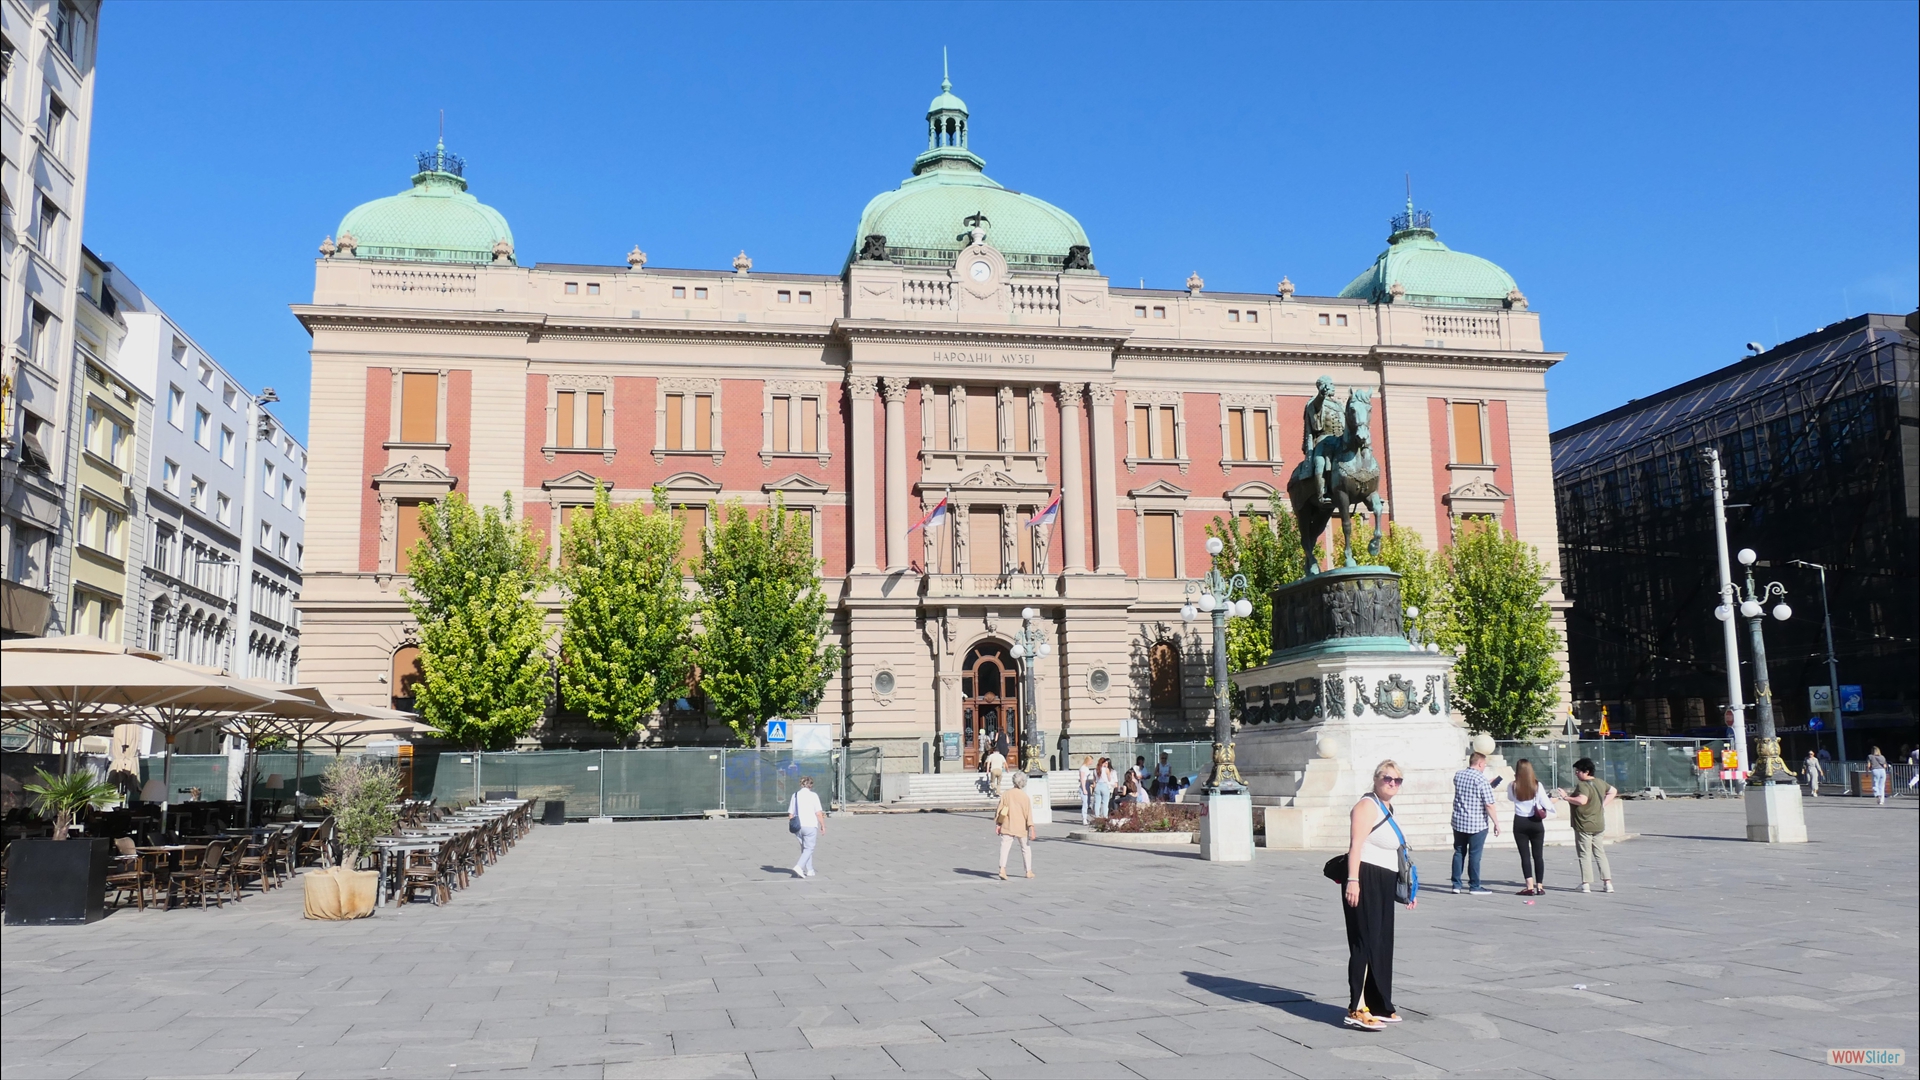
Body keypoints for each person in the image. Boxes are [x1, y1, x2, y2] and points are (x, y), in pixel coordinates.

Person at [1341, 760, 1412, 1031]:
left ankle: (1379, 1002)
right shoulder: (1366, 806)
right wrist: (1353, 880)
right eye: (1387, 778)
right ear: (1376, 779)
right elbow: (1355, 844)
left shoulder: (1387, 807)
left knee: (1382, 942)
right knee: (1365, 942)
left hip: (1383, 879)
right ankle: (1356, 1008)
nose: (1392, 783)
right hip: (1365, 877)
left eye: (1397, 780)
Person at [1554, 758, 1616, 893]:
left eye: (1578, 771)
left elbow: (1582, 801)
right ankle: (1608, 883)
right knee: (1600, 853)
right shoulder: (1600, 782)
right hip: (1599, 823)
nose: (1576, 774)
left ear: (1586, 772)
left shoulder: (1583, 785)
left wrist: (1566, 797)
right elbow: (1613, 791)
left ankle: (1586, 883)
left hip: (1583, 824)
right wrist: (1602, 805)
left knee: (1584, 854)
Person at [1449, 751, 1499, 895]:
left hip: (1459, 821)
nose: (1484, 767)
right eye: (1484, 765)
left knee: (1459, 852)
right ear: (1480, 763)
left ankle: (1456, 884)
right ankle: (1474, 885)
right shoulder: (1481, 780)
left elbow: (1467, 791)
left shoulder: (1459, 775)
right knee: (1475, 855)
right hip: (1477, 823)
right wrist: (1496, 822)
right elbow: (1489, 804)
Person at [1508, 759, 1551, 896]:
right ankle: (1540, 886)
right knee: (1538, 855)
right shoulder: (1537, 785)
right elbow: (1545, 802)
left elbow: (1510, 798)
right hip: (1536, 822)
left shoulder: (1513, 786)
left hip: (1520, 821)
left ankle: (1529, 886)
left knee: (1524, 855)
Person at [994, 770, 1037, 880]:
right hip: (1021, 827)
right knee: (1025, 848)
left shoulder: (1006, 794)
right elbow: (1028, 814)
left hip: (1007, 825)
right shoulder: (1025, 797)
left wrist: (998, 824)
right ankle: (1028, 871)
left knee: (1005, 847)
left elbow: (1000, 810)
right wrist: (1032, 828)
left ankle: (1002, 869)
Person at [787, 776, 825, 879]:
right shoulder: (813, 796)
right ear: (811, 785)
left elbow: (791, 814)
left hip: (798, 826)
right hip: (810, 825)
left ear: (801, 784)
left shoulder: (794, 795)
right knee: (809, 848)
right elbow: (818, 813)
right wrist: (822, 825)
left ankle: (810, 870)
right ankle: (799, 866)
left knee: (805, 848)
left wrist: (792, 824)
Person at [1077, 756, 1095, 825]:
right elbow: (1082, 779)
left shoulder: (1086, 768)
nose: (1092, 762)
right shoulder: (1083, 768)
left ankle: (1085, 817)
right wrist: (1084, 788)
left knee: (1088, 803)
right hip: (1084, 786)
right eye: (1091, 761)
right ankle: (1084, 818)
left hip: (1087, 784)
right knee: (1085, 803)